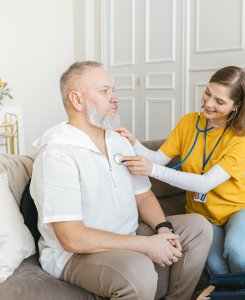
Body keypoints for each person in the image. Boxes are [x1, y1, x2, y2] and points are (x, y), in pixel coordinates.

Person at [30, 61, 213, 300]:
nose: (115, 98)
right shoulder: (57, 152)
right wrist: (147, 245)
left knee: (198, 228)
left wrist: (163, 229)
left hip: (128, 232)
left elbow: (143, 195)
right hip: (76, 255)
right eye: (105, 91)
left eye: (113, 90)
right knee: (138, 271)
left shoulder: (118, 141)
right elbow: (72, 238)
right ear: (77, 100)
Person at [118, 66, 245, 276]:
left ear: (236, 106)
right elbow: (159, 158)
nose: (209, 103)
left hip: (238, 209)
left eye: (220, 101)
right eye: (208, 93)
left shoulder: (244, 139)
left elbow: (205, 183)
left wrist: (153, 170)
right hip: (202, 215)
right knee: (216, 267)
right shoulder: (189, 122)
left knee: (238, 251)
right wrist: (134, 143)